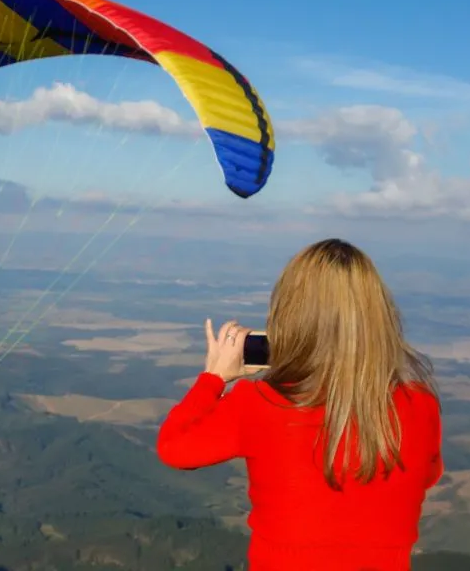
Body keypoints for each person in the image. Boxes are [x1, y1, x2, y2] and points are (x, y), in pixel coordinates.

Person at [156, 238, 442, 571]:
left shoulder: (259, 403)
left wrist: (214, 378)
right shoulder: (420, 404)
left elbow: (174, 447)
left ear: (290, 316)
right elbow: (426, 476)